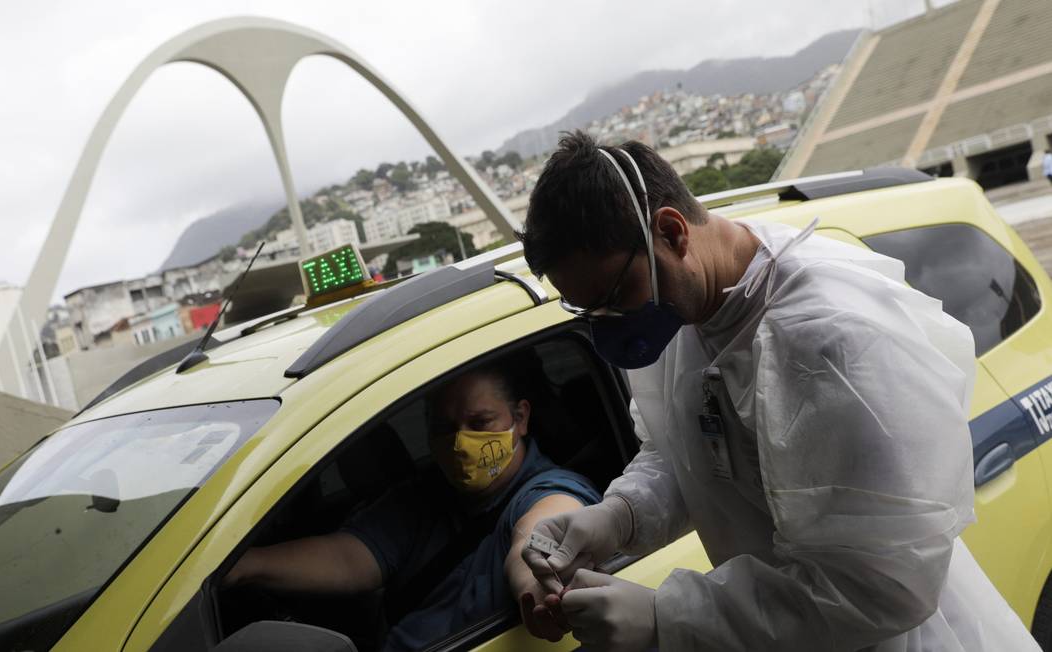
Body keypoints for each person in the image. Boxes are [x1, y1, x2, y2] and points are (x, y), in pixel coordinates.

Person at [516, 131, 1039, 651]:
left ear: (672, 233)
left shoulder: (830, 341)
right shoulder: (689, 307)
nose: (613, 326)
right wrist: (619, 516)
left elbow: (883, 589)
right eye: (591, 312)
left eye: (614, 296)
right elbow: (690, 451)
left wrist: (668, 616)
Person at [224, 363, 601, 651]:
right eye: (443, 428)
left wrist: (538, 587)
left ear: (519, 418)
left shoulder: (551, 489)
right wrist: (242, 566)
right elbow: (349, 557)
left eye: (480, 422)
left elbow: (539, 537)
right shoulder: (424, 497)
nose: (460, 442)